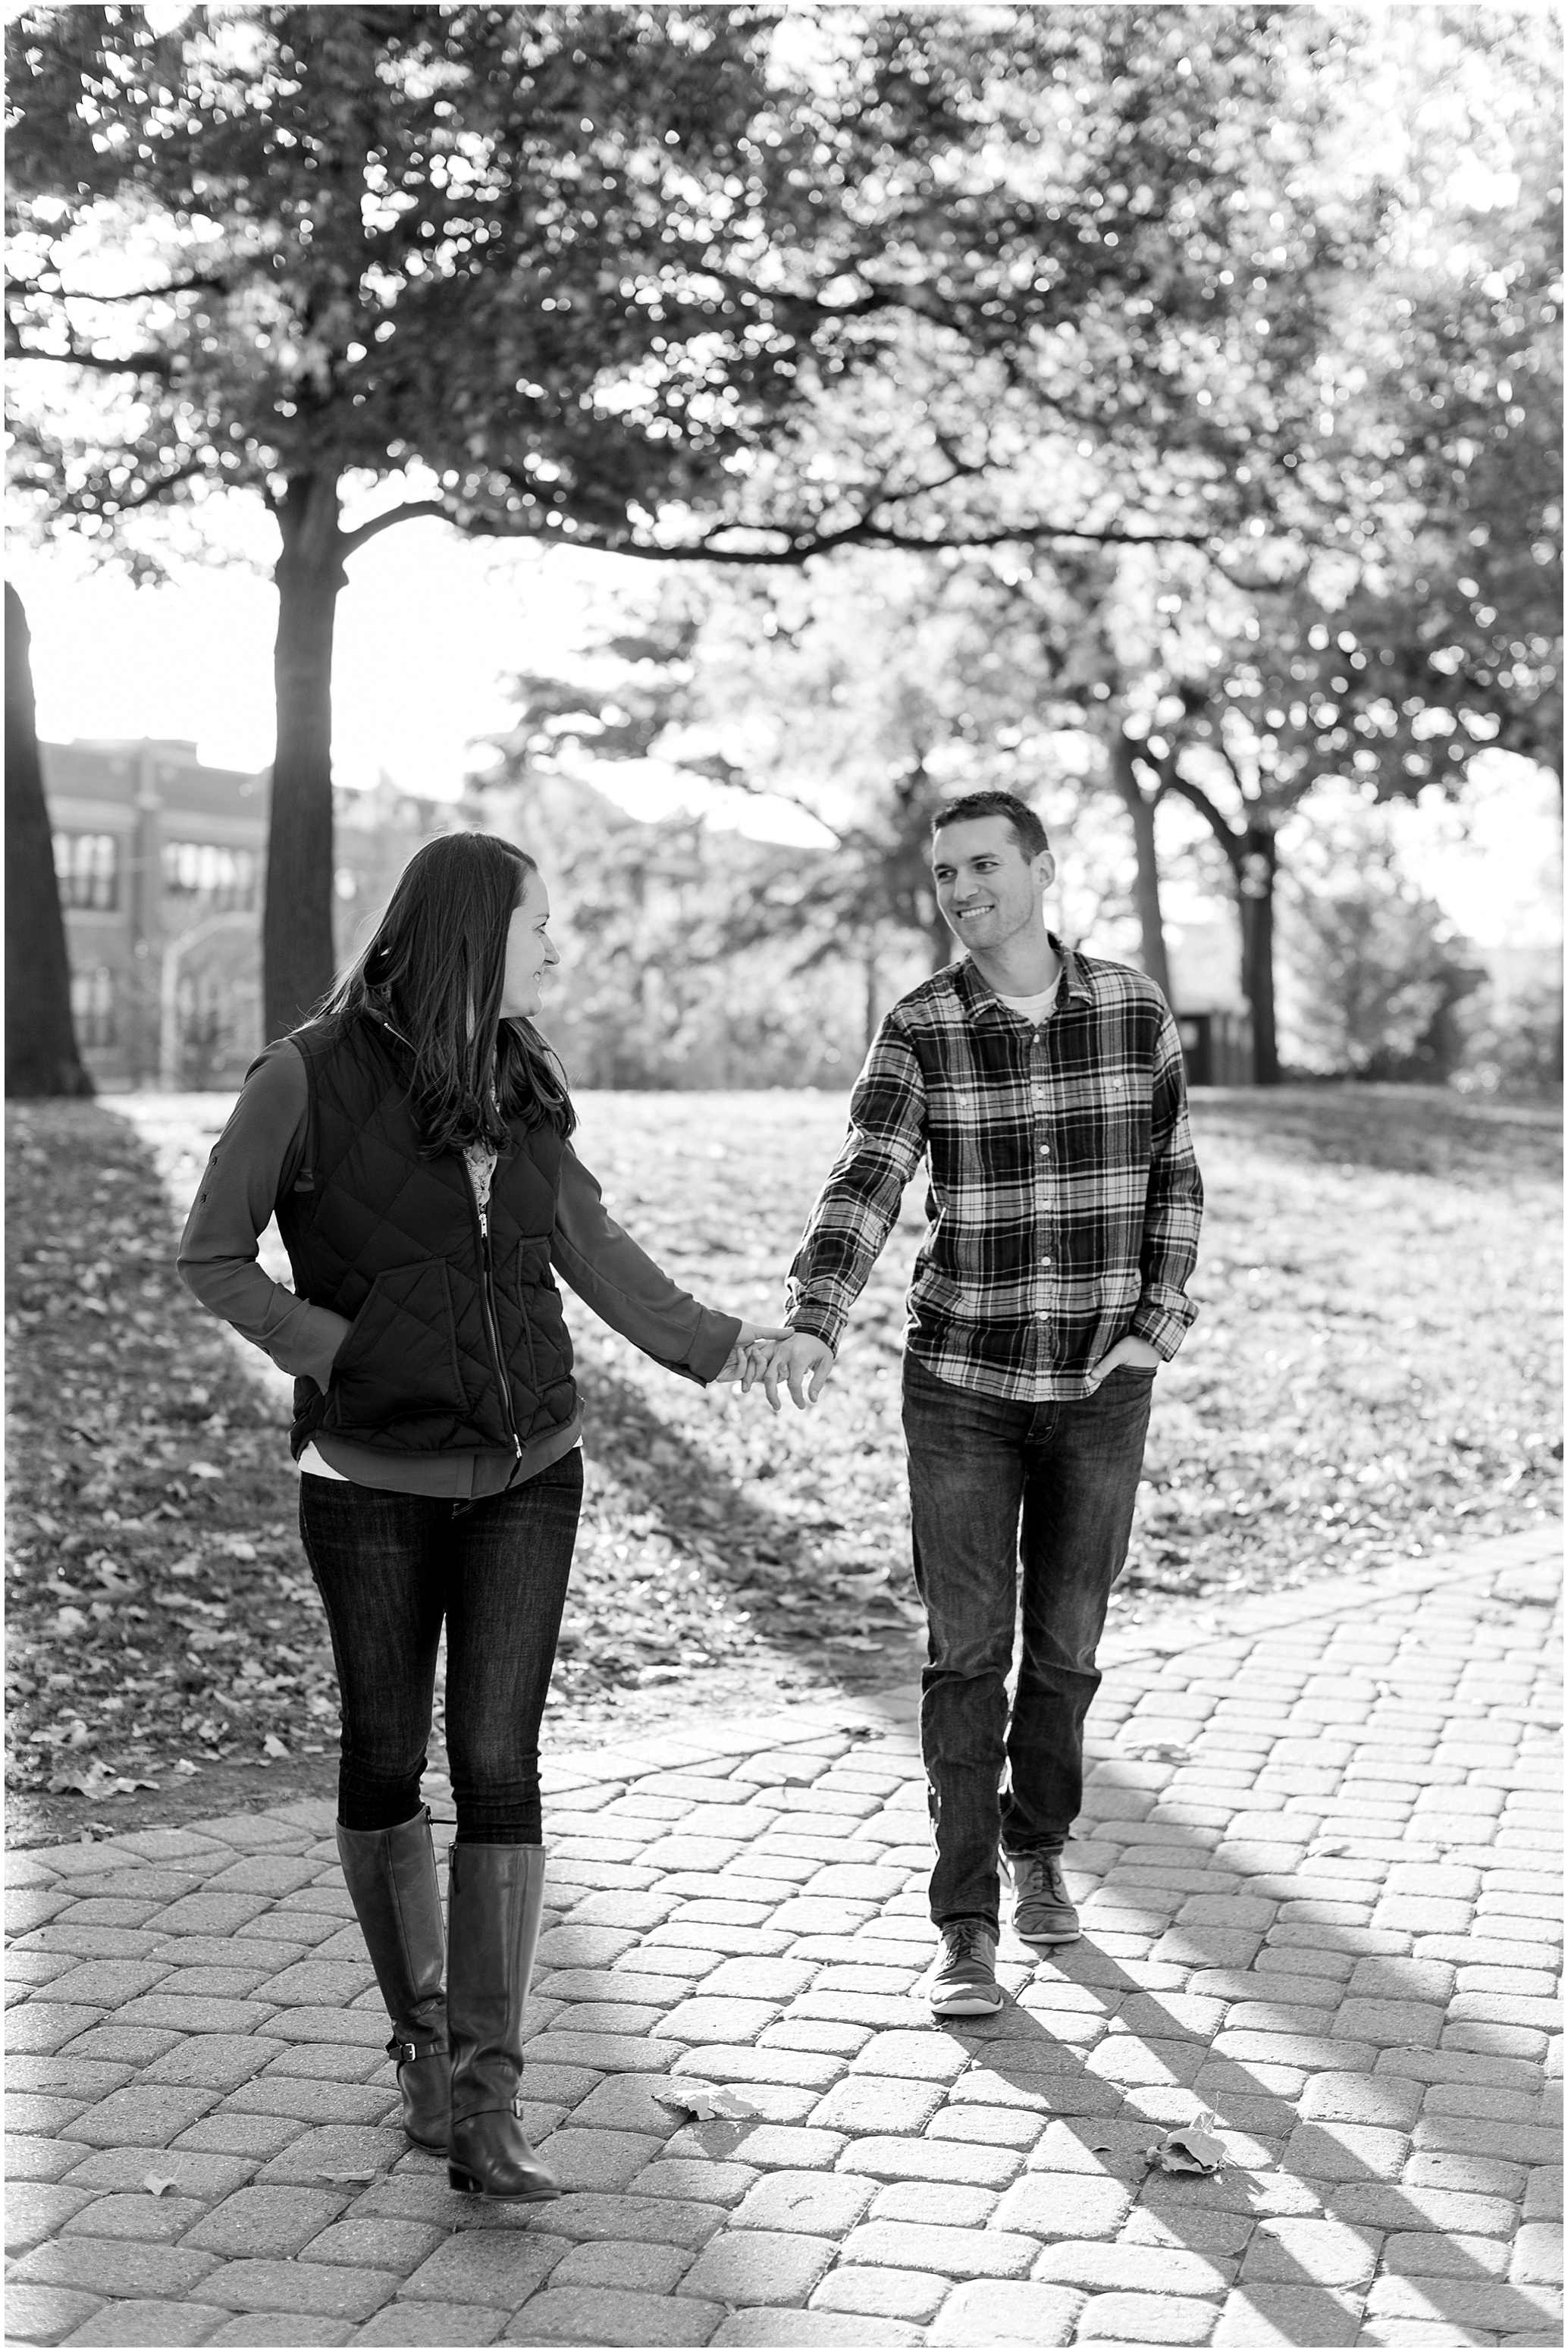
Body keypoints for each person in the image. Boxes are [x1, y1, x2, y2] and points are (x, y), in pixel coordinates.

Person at [178, 833, 781, 2200]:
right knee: (386, 1757)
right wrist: (332, 1343)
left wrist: (730, 1347)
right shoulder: (305, 1076)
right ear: (471, 936)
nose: (556, 950)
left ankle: (492, 2101)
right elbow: (213, 1251)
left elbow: (594, 1248)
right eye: (539, 927)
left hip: (528, 1470)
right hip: (368, 1483)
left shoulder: (522, 1079)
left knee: (499, 1763)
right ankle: (423, 2048)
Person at [759, 790, 1203, 2018]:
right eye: (945, 872)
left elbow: (1177, 1177)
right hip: (961, 1384)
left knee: (1066, 1649)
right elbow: (869, 1176)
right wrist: (816, 1314)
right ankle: (967, 1925)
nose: (961, 890)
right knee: (968, 1655)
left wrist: (1152, 1332)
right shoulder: (922, 1028)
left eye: (983, 864)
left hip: (1100, 1389)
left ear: (1044, 869)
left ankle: (1039, 1845)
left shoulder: (1132, 1010)